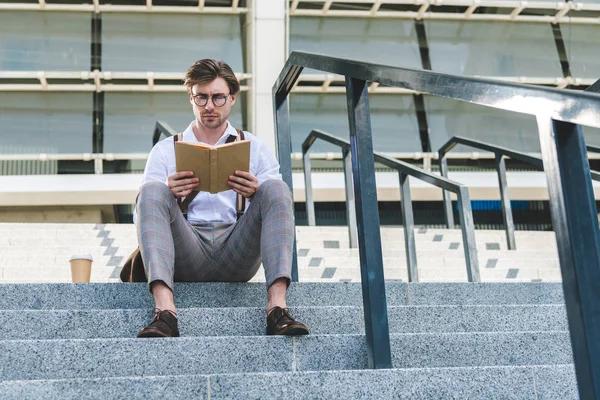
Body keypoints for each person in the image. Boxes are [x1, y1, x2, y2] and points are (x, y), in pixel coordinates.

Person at [134, 59, 309, 338]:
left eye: (217, 97)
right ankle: (165, 312)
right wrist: (171, 193)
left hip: (237, 248)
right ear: (191, 98)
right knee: (152, 190)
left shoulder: (256, 147)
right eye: (201, 97)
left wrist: (255, 193)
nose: (209, 106)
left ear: (232, 99)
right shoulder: (165, 150)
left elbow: (277, 207)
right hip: (186, 250)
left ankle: (278, 309)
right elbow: (144, 212)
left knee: (276, 188)